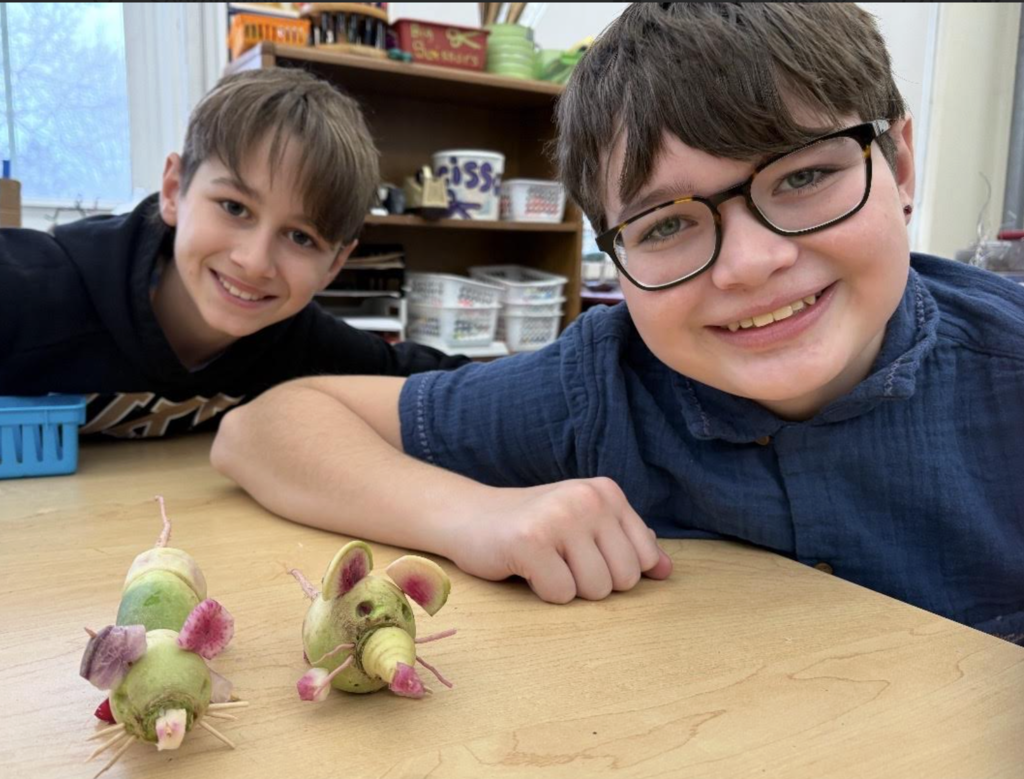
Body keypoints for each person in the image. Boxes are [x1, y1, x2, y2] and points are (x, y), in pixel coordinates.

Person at [210, 4, 1024, 642]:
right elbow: (262, 430)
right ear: (613, 254)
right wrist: (473, 515)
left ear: (900, 165)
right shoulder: (598, 383)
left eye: (805, 175)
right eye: (666, 225)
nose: (748, 263)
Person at [0, 68, 467, 438]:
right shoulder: (28, 290)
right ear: (173, 190)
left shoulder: (301, 342)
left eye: (301, 237)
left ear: (336, 265)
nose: (255, 261)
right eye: (234, 207)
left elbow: (445, 388)